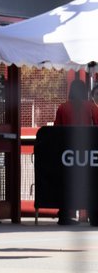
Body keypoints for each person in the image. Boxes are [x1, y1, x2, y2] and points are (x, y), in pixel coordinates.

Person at [52, 79, 98, 226]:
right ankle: (94, 216)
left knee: (65, 182)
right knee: (92, 182)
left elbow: (56, 131)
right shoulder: (92, 107)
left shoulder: (62, 108)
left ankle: (64, 215)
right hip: (88, 154)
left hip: (67, 154)